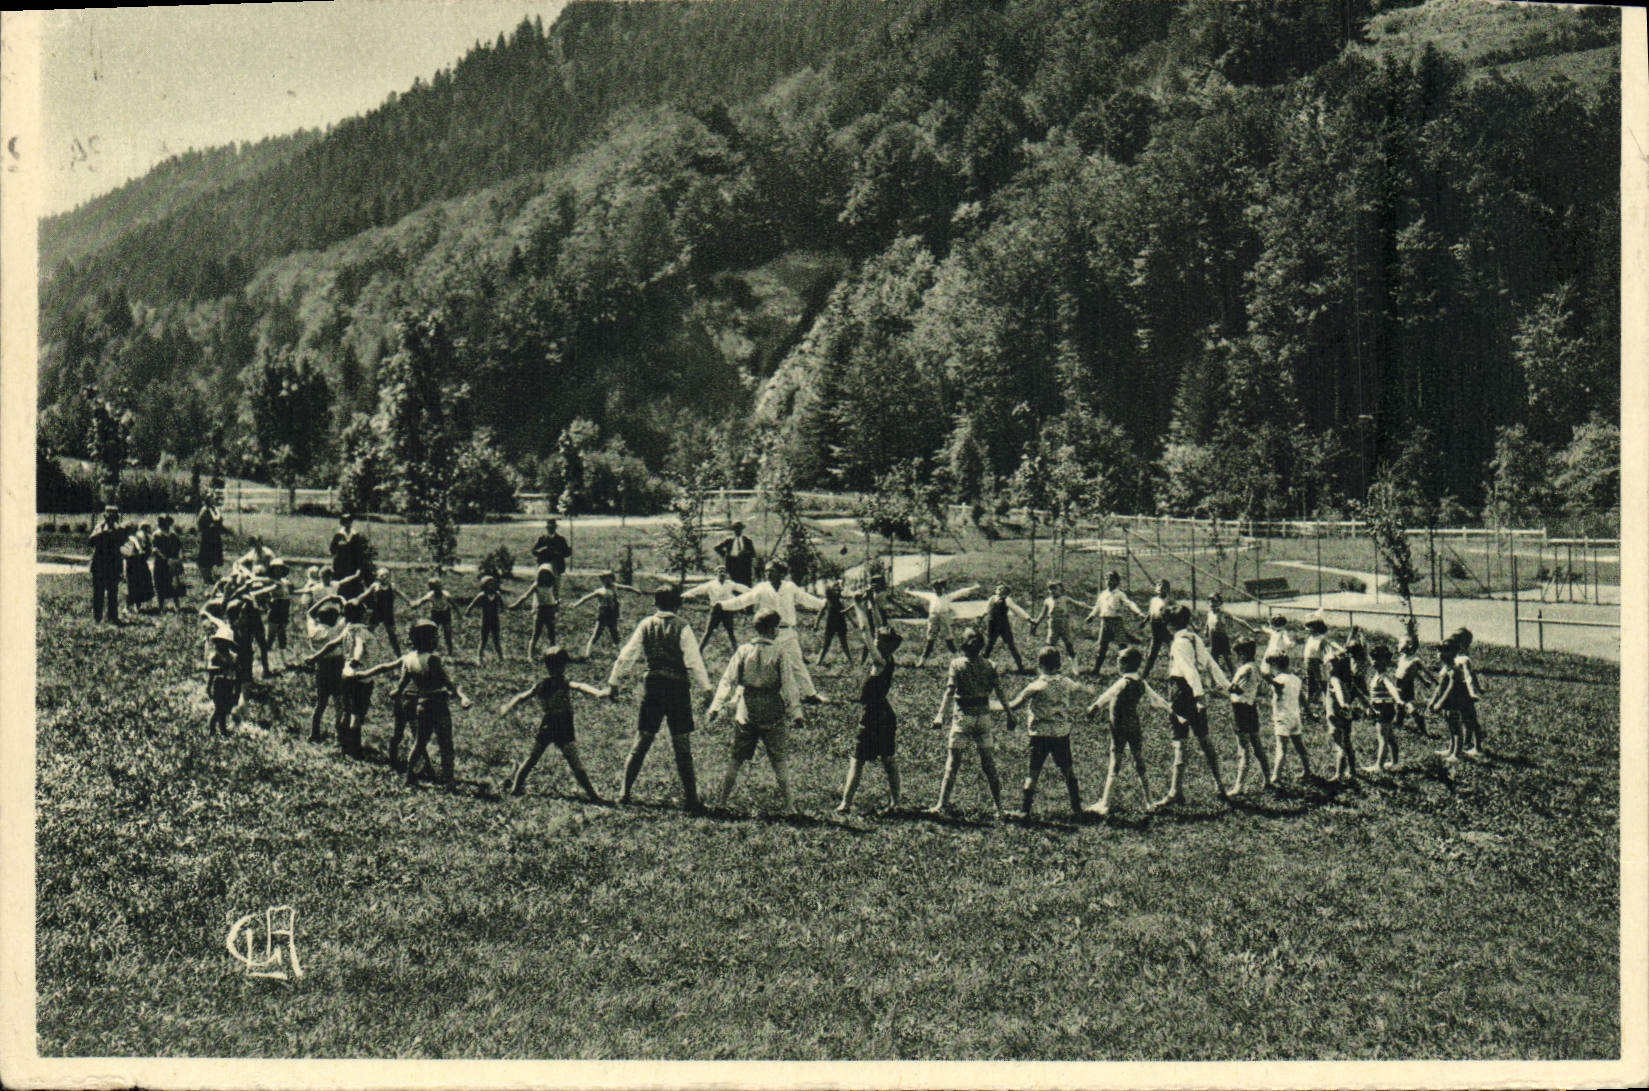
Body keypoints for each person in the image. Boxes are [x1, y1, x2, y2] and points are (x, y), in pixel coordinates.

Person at [603, 585, 715, 811]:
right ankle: (691, 799)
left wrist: (614, 682)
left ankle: (624, 793)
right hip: (677, 688)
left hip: (653, 686)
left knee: (642, 739)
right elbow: (694, 661)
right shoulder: (683, 626)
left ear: (655, 603)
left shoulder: (646, 624)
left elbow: (626, 656)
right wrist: (707, 689)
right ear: (678, 604)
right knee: (682, 745)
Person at [707, 609, 804, 814]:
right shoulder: (779, 652)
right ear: (772, 629)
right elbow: (789, 684)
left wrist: (716, 706)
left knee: (736, 758)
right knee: (779, 759)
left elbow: (727, 680)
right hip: (771, 707)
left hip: (747, 708)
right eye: (777, 627)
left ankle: (721, 802)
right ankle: (789, 806)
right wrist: (796, 712)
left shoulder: (743, 650)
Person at [926, 629, 1012, 819]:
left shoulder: (956, 664)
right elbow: (999, 691)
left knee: (952, 764)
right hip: (983, 717)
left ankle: (941, 805)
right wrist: (1009, 713)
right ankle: (999, 808)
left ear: (963, 646)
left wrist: (940, 715)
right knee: (989, 764)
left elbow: (950, 691)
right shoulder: (990, 665)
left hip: (963, 717)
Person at [498, 646, 603, 801]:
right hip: (563, 724)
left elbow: (521, 697)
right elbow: (580, 686)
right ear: (562, 665)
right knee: (575, 762)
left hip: (548, 723)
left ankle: (516, 788)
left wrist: (508, 707)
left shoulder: (542, 684)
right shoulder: (563, 682)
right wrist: (598, 692)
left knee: (532, 758)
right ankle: (593, 795)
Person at [1155, 605, 1233, 809]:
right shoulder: (1193, 637)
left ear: (1170, 625)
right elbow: (1211, 664)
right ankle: (1220, 786)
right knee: (1204, 739)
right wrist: (1227, 685)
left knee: (1180, 742)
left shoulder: (1179, 643)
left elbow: (1189, 671)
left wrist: (1199, 696)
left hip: (1182, 693)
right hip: (1193, 692)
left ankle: (1175, 792)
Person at [720, 560, 829, 703]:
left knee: (797, 664)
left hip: (787, 632)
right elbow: (743, 600)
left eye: (771, 571)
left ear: (781, 573)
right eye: (766, 571)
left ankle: (811, 694)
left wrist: (822, 603)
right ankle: (742, 696)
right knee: (759, 663)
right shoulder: (762, 588)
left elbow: (805, 599)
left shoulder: (789, 587)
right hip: (767, 634)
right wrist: (722, 605)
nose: (768, 574)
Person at [1005, 647, 1093, 819]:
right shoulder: (1066, 682)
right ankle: (1077, 809)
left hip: (1040, 735)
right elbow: (1080, 689)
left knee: (1033, 772)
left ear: (1039, 665)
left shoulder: (1036, 686)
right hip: (1061, 734)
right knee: (1068, 771)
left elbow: (1015, 704)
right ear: (1059, 664)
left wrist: (994, 705)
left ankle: (1024, 810)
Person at [1086, 647, 1172, 816]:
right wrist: (1171, 710)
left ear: (1124, 664)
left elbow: (1107, 695)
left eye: (1118, 661)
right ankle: (1149, 802)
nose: (1117, 664)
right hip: (1134, 725)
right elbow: (1157, 699)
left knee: (1115, 763)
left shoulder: (1122, 682)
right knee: (1139, 761)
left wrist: (1094, 707)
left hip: (1119, 726)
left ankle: (1105, 803)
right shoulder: (1141, 682)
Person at [393, 619, 474, 787]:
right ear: (428, 639)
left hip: (422, 703)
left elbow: (402, 683)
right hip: (438, 704)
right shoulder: (433, 659)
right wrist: (461, 697)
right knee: (446, 742)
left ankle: (410, 776)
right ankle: (448, 779)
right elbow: (446, 681)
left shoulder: (408, 659)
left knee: (419, 742)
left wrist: (397, 693)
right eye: (435, 637)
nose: (437, 640)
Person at [836, 626, 904, 815]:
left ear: (886, 645)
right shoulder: (886, 658)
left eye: (879, 639)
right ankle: (895, 802)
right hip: (882, 714)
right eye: (876, 637)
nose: (875, 641)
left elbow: (866, 634)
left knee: (859, 760)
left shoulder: (880, 661)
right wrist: (869, 609)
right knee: (886, 760)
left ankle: (846, 804)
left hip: (874, 716)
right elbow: (871, 631)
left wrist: (860, 614)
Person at [1225, 636, 1271, 794]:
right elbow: (1260, 689)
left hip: (1241, 710)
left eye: (1238, 654)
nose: (1237, 657)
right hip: (1250, 708)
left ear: (1243, 653)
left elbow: (1236, 689)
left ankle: (1239, 786)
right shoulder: (1255, 667)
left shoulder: (1246, 669)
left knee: (1243, 749)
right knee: (1257, 746)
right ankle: (1268, 779)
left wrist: (1221, 687)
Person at [302, 595, 348, 744]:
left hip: (321, 667)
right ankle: (339, 736)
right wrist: (341, 600)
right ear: (334, 619)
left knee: (321, 702)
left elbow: (309, 613)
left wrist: (325, 598)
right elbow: (348, 613)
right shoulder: (336, 630)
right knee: (339, 702)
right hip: (337, 665)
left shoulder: (313, 631)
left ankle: (314, 733)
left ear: (320, 618)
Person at [569, 570, 644, 660]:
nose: (607, 581)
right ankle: (587, 653)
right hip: (604, 614)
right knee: (597, 633)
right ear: (602, 580)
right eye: (604, 579)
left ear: (612, 579)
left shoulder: (615, 587)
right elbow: (586, 598)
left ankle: (621, 653)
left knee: (614, 633)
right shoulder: (600, 591)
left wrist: (636, 590)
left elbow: (626, 588)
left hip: (613, 613)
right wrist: (575, 604)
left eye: (609, 579)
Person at [909, 577, 982, 669]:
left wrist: (974, 587)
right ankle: (922, 662)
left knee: (949, 640)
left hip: (944, 618)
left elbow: (960, 592)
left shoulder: (947, 597)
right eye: (935, 588)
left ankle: (960, 661)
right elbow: (920, 594)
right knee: (930, 640)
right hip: (933, 618)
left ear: (943, 588)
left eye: (939, 587)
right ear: (933, 588)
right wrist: (909, 591)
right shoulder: (931, 596)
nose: (937, 590)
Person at [1085, 571, 1145, 677]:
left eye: (1112, 579)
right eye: (1107, 579)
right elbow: (1097, 607)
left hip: (1117, 622)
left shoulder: (1119, 594)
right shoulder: (1103, 594)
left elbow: (1129, 603)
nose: (1109, 581)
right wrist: (1091, 616)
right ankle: (1096, 670)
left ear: (1117, 581)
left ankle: (1128, 670)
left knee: (1122, 646)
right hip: (1105, 622)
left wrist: (1139, 612)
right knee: (1102, 647)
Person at [1266, 654, 1313, 784]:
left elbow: (1272, 688)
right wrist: (1309, 711)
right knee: (1299, 746)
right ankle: (1307, 770)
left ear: (1276, 665)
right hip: (1295, 717)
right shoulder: (1296, 679)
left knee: (1281, 748)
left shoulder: (1278, 680)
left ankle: (1275, 776)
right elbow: (1302, 697)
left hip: (1283, 717)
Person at [679, 566, 749, 653]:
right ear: (716, 573)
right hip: (715, 610)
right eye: (720, 572)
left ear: (726, 574)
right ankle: (699, 651)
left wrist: (753, 592)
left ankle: (736, 651)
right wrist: (684, 595)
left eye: (723, 572)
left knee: (731, 632)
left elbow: (742, 588)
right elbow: (697, 590)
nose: (722, 574)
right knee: (708, 632)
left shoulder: (730, 584)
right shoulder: (711, 584)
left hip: (727, 610)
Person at [1362, 644, 1407, 773]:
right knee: (1390, 736)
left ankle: (1379, 765)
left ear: (1386, 662)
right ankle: (1395, 761)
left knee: (1382, 738)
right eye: (1373, 659)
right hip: (1381, 708)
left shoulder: (1383, 677)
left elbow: (1392, 688)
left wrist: (1398, 700)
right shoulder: (1376, 676)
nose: (1375, 662)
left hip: (1384, 708)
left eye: (1379, 659)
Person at [1323, 648, 1364, 785]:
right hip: (1347, 716)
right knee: (1347, 743)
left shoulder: (1334, 679)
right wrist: (1369, 708)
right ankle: (1352, 771)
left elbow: (1338, 691)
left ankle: (1338, 775)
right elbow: (1360, 694)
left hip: (1335, 716)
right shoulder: (1349, 681)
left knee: (1339, 745)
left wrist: (1342, 703)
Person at [201, 602, 240, 738]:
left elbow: (236, 672)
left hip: (229, 684)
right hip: (219, 684)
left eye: (225, 642)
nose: (222, 644)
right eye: (220, 642)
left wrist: (236, 687)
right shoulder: (215, 656)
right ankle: (213, 729)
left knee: (226, 708)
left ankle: (222, 728)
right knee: (219, 709)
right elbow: (211, 671)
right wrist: (209, 687)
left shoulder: (232, 656)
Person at [511, 564, 563, 659]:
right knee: (536, 633)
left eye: (547, 574)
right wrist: (516, 604)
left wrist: (557, 603)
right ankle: (530, 656)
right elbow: (525, 596)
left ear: (550, 575)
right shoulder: (536, 585)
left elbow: (555, 596)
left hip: (550, 609)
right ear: (539, 575)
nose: (544, 577)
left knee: (551, 633)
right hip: (540, 610)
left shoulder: (552, 585)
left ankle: (554, 654)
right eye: (542, 574)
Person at [1449, 628, 1486, 756]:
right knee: (1463, 720)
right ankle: (1465, 744)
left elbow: (1469, 676)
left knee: (1471, 720)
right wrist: (1479, 687)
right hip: (1457, 693)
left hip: (1464, 694)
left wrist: (1472, 692)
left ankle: (1478, 747)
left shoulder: (1464, 659)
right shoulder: (1456, 657)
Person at [982, 583, 1033, 674]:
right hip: (992, 625)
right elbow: (986, 610)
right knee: (989, 645)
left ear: (1006, 592)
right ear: (995, 590)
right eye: (999, 589)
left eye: (1003, 589)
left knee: (1011, 645)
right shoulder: (992, 599)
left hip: (1003, 625)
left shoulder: (1007, 600)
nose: (1001, 590)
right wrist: (980, 618)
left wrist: (1028, 618)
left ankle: (1020, 667)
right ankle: (981, 666)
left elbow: (1017, 609)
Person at [88, 505, 127, 624]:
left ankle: (113, 616)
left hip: (113, 564)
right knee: (98, 591)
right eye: (108, 515)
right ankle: (97, 617)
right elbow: (90, 542)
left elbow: (122, 541)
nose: (111, 518)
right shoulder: (99, 527)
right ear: (105, 516)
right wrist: (102, 533)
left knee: (113, 592)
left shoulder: (119, 529)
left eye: (114, 516)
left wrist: (115, 532)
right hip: (99, 563)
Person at [1428, 642, 1465, 762]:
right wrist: (1433, 700)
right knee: (1450, 725)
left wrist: (1439, 702)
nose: (1440, 654)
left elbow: (1450, 688)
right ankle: (1451, 749)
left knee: (1456, 726)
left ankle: (1457, 753)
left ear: (1453, 653)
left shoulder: (1454, 670)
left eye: (1445, 650)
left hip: (1453, 702)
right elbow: (1439, 686)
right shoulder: (1445, 668)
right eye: (1439, 650)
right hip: (1446, 702)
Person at [1204, 592, 1254, 674]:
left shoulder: (1223, 613)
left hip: (1222, 638)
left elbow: (1239, 620)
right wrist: (1206, 631)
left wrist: (1251, 629)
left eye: (1215, 602)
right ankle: (1218, 678)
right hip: (1212, 638)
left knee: (1227, 659)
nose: (1212, 604)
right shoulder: (1209, 613)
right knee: (1214, 659)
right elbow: (1208, 623)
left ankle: (1235, 675)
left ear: (1220, 603)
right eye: (1210, 601)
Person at [1393, 634, 1433, 738]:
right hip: (1398, 684)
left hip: (1406, 686)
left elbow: (1426, 671)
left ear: (1410, 645)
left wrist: (1435, 681)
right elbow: (1414, 672)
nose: (1398, 644)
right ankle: (1399, 724)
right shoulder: (1402, 658)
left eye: (1400, 642)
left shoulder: (1415, 660)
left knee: (1410, 707)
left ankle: (1423, 729)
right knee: (1399, 706)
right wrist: (1423, 681)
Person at [1301, 612, 1341, 712]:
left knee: (1322, 683)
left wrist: (1340, 649)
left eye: (1309, 627)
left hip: (1317, 663)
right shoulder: (1310, 638)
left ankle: (1327, 704)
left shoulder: (1321, 638)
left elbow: (1331, 643)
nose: (1306, 629)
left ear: (1315, 627)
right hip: (1308, 663)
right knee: (1310, 683)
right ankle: (1308, 704)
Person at [1029, 579, 1079, 658]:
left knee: (1068, 644)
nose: (1052, 591)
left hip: (1064, 625)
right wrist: (1036, 624)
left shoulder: (1065, 599)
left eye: (1055, 589)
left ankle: (1073, 661)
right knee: (1049, 646)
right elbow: (1042, 614)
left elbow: (1078, 604)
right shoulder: (1047, 601)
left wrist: (1092, 609)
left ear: (1060, 590)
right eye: (1050, 589)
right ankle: (1048, 662)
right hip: (1053, 626)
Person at [409, 577, 458, 657]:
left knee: (447, 634)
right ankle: (433, 651)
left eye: (437, 588)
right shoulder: (431, 595)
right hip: (436, 614)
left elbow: (454, 605)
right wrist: (416, 604)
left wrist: (459, 614)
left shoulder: (446, 595)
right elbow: (422, 600)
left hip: (445, 614)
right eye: (434, 588)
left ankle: (450, 653)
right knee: (433, 633)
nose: (436, 590)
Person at [812, 579, 855, 667]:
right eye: (835, 590)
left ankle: (851, 662)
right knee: (826, 644)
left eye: (838, 591)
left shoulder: (840, 602)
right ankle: (819, 661)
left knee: (844, 644)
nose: (837, 592)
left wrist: (853, 622)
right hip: (830, 624)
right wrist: (816, 624)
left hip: (841, 624)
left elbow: (846, 613)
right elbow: (820, 613)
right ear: (830, 592)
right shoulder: (827, 602)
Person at [464, 575, 506, 664]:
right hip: (485, 620)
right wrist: (468, 611)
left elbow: (502, 605)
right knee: (483, 639)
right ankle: (479, 657)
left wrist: (502, 609)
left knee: (496, 639)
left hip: (495, 620)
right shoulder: (482, 595)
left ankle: (500, 657)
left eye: (493, 584)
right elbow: (472, 604)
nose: (492, 586)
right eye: (489, 584)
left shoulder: (497, 595)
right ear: (484, 585)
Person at [151, 514, 186, 611]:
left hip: (173, 563)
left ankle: (177, 605)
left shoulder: (173, 535)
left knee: (174, 583)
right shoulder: (157, 535)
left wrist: (179, 558)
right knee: (160, 584)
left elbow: (179, 547)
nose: (166, 524)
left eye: (168, 522)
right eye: (164, 522)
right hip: (161, 564)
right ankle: (161, 606)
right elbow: (155, 549)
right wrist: (165, 559)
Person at [1141, 580, 1175, 677]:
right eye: (1158, 585)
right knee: (1152, 652)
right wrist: (1144, 621)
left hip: (1164, 627)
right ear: (1155, 588)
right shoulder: (1153, 600)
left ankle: (1174, 672)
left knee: (1173, 650)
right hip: (1155, 628)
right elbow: (1150, 612)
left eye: (1164, 586)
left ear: (1167, 589)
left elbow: (1175, 613)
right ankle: (1145, 674)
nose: (1160, 588)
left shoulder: (1169, 601)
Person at [121, 519, 155, 613]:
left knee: (138, 585)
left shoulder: (142, 538)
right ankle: (129, 606)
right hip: (133, 563)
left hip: (138, 563)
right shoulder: (132, 538)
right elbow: (130, 551)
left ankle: (136, 606)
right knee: (132, 586)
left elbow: (145, 551)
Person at [264, 560, 293, 671]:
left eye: (280, 568)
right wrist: (269, 601)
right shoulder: (270, 581)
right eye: (276, 569)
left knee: (282, 635)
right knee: (271, 636)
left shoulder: (285, 581)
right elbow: (265, 592)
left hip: (284, 610)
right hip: (276, 609)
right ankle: (266, 662)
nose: (278, 571)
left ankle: (283, 661)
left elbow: (290, 592)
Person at [713, 520, 758, 587]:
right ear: (733, 530)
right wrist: (726, 555)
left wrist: (745, 552)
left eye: (739, 529)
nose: (737, 530)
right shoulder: (729, 540)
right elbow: (717, 548)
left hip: (744, 565)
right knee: (734, 583)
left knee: (746, 584)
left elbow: (753, 554)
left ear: (741, 530)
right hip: (733, 564)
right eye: (735, 529)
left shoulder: (747, 540)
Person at [530, 518, 573, 585]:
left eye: (552, 527)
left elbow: (567, 553)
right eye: (549, 527)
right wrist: (542, 551)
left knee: (556, 584)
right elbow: (534, 551)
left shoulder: (560, 539)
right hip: (543, 564)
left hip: (556, 565)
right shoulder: (542, 539)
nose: (550, 529)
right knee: (540, 584)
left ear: (555, 528)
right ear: (547, 528)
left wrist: (559, 553)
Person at [196, 492, 225, 584]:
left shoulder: (215, 509)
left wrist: (218, 524)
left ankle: (214, 574)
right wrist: (208, 526)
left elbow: (220, 520)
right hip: (207, 536)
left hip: (215, 536)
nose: (213, 500)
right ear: (207, 500)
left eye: (214, 499)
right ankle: (207, 576)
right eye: (211, 499)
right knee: (207, 556)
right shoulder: (204, 510)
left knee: (214, 556)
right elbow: (200, 523)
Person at [328, 513, 363, 584]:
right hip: (340, 565)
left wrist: (359, 566)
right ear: (342, 523)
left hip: (352, 565)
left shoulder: (355, 535)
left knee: (351, 582)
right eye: (345, 521)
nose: (347, 523)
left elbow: (359, 552)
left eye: (349, 521)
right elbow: (332, 549)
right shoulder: (338, 535)